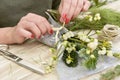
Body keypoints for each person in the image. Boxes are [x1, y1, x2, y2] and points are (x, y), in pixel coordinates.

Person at [0, 0, 90, 44]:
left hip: (45, 44)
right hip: (11, 51)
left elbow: (56, 6)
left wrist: (72, 6)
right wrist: (10, 34)